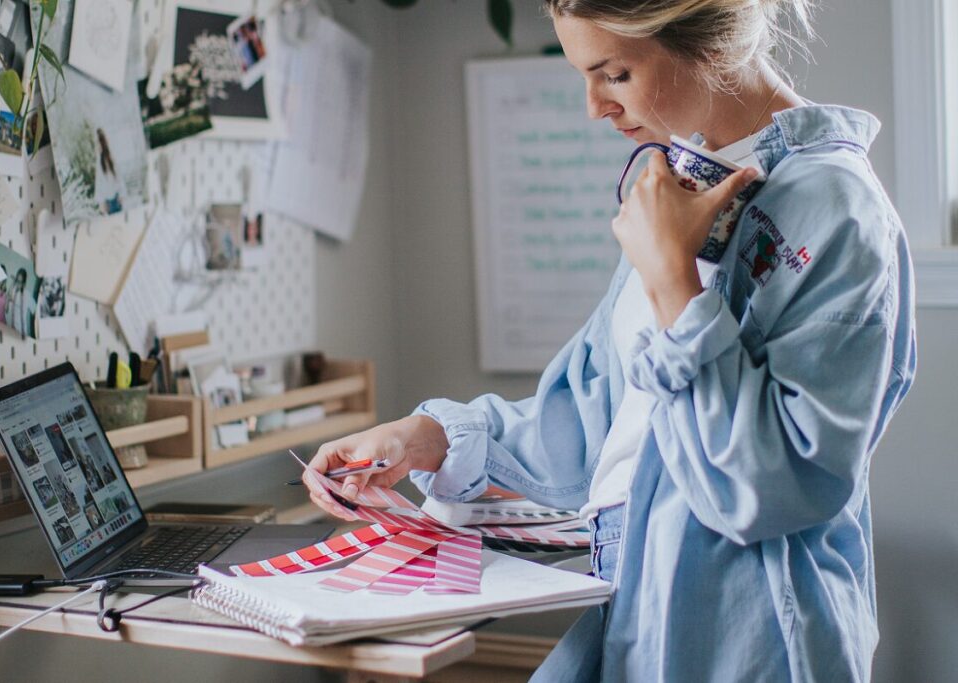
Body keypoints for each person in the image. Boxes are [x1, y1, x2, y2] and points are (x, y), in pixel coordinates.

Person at [304, 1, 916, 680]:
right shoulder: (677, 184)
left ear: (710, 44)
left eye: (615, 74)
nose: (594, 106)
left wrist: (676, 284)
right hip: (635, 603)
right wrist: (426, 436)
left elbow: (772, 487)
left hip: (756, 635)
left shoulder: (839, 213)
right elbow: (593, 413)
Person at [93, 128, 126, 215]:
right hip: (108, 203)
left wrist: (121, 195)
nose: (97, 145)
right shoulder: (99, 160)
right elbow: (99, 182)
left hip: (115, 199)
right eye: (96, 143)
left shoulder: (109, 158)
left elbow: (118, 176)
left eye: (98, 142)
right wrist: (101, 202)